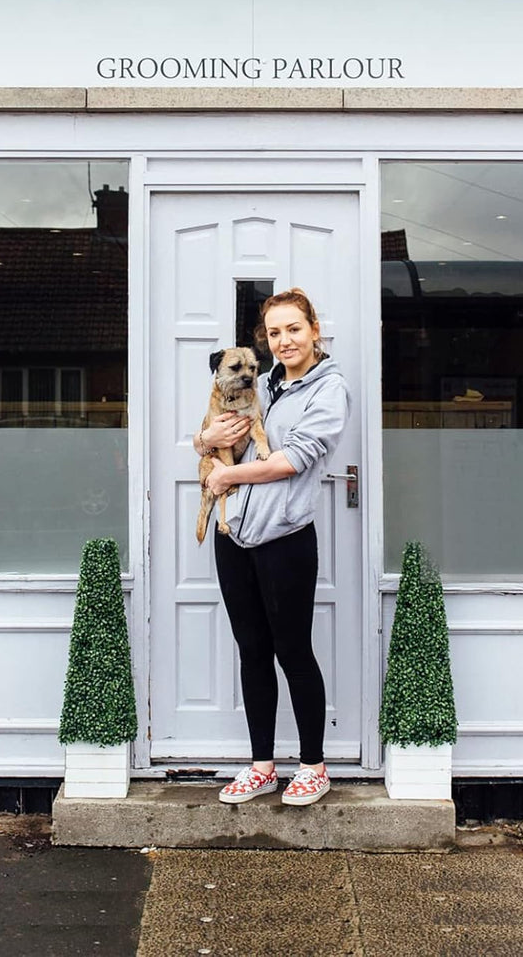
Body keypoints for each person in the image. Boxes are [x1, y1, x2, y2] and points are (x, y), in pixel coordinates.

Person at [192, 287, 350, 807]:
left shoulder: (328, 390)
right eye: (275, 333)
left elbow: (291, 460)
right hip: (232, 535)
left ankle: (313, 765)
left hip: (284, 539)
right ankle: (263, 765)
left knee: (293, 652)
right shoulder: (265, 384)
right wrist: (203, 442)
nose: (285, 341)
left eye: (294, 330)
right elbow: (218, 434)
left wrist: (225, 475)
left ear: (314, 330)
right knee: (252, 650)